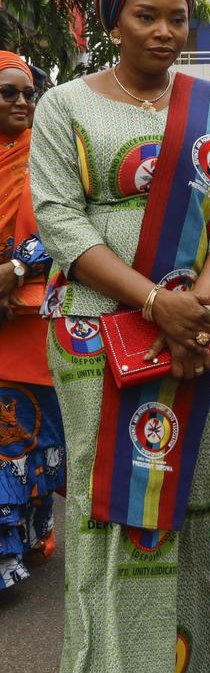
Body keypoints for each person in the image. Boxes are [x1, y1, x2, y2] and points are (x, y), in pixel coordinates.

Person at [30, 0, 210, 673]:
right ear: (115, 21)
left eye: (178, 17)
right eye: (147, 16)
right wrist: (153, 301)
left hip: (202, 337)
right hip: (95, 332)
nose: (166, 32)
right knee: (109, 507)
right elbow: (60, 221)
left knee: (193, 509)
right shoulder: (65, 105)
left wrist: (197, 307)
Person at [0, 51, 65, 590]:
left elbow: (63, 218)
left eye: (29, 92)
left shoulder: (45, 154)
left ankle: (34, 531)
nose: (22, 101)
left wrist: (16, 268)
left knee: (30, 435)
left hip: (32, 317)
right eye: (8, 93)